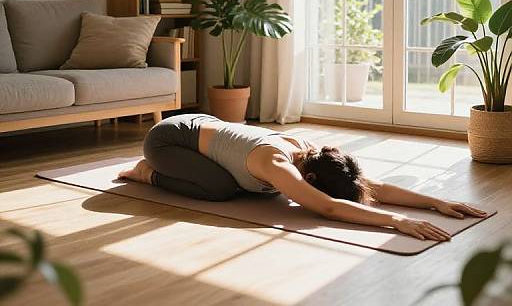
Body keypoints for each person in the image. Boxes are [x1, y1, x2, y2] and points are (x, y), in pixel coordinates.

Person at [119, 114, 486, 241]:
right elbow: (327, 208)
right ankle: (146, 173)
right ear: (307, 176)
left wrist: (435, 201)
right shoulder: (277, 164)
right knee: (221, 190)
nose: (299, 196)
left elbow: (371, 187)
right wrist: (397, 222)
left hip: (205, 127)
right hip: (168, 140)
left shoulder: (313, 152)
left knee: (255, 192)